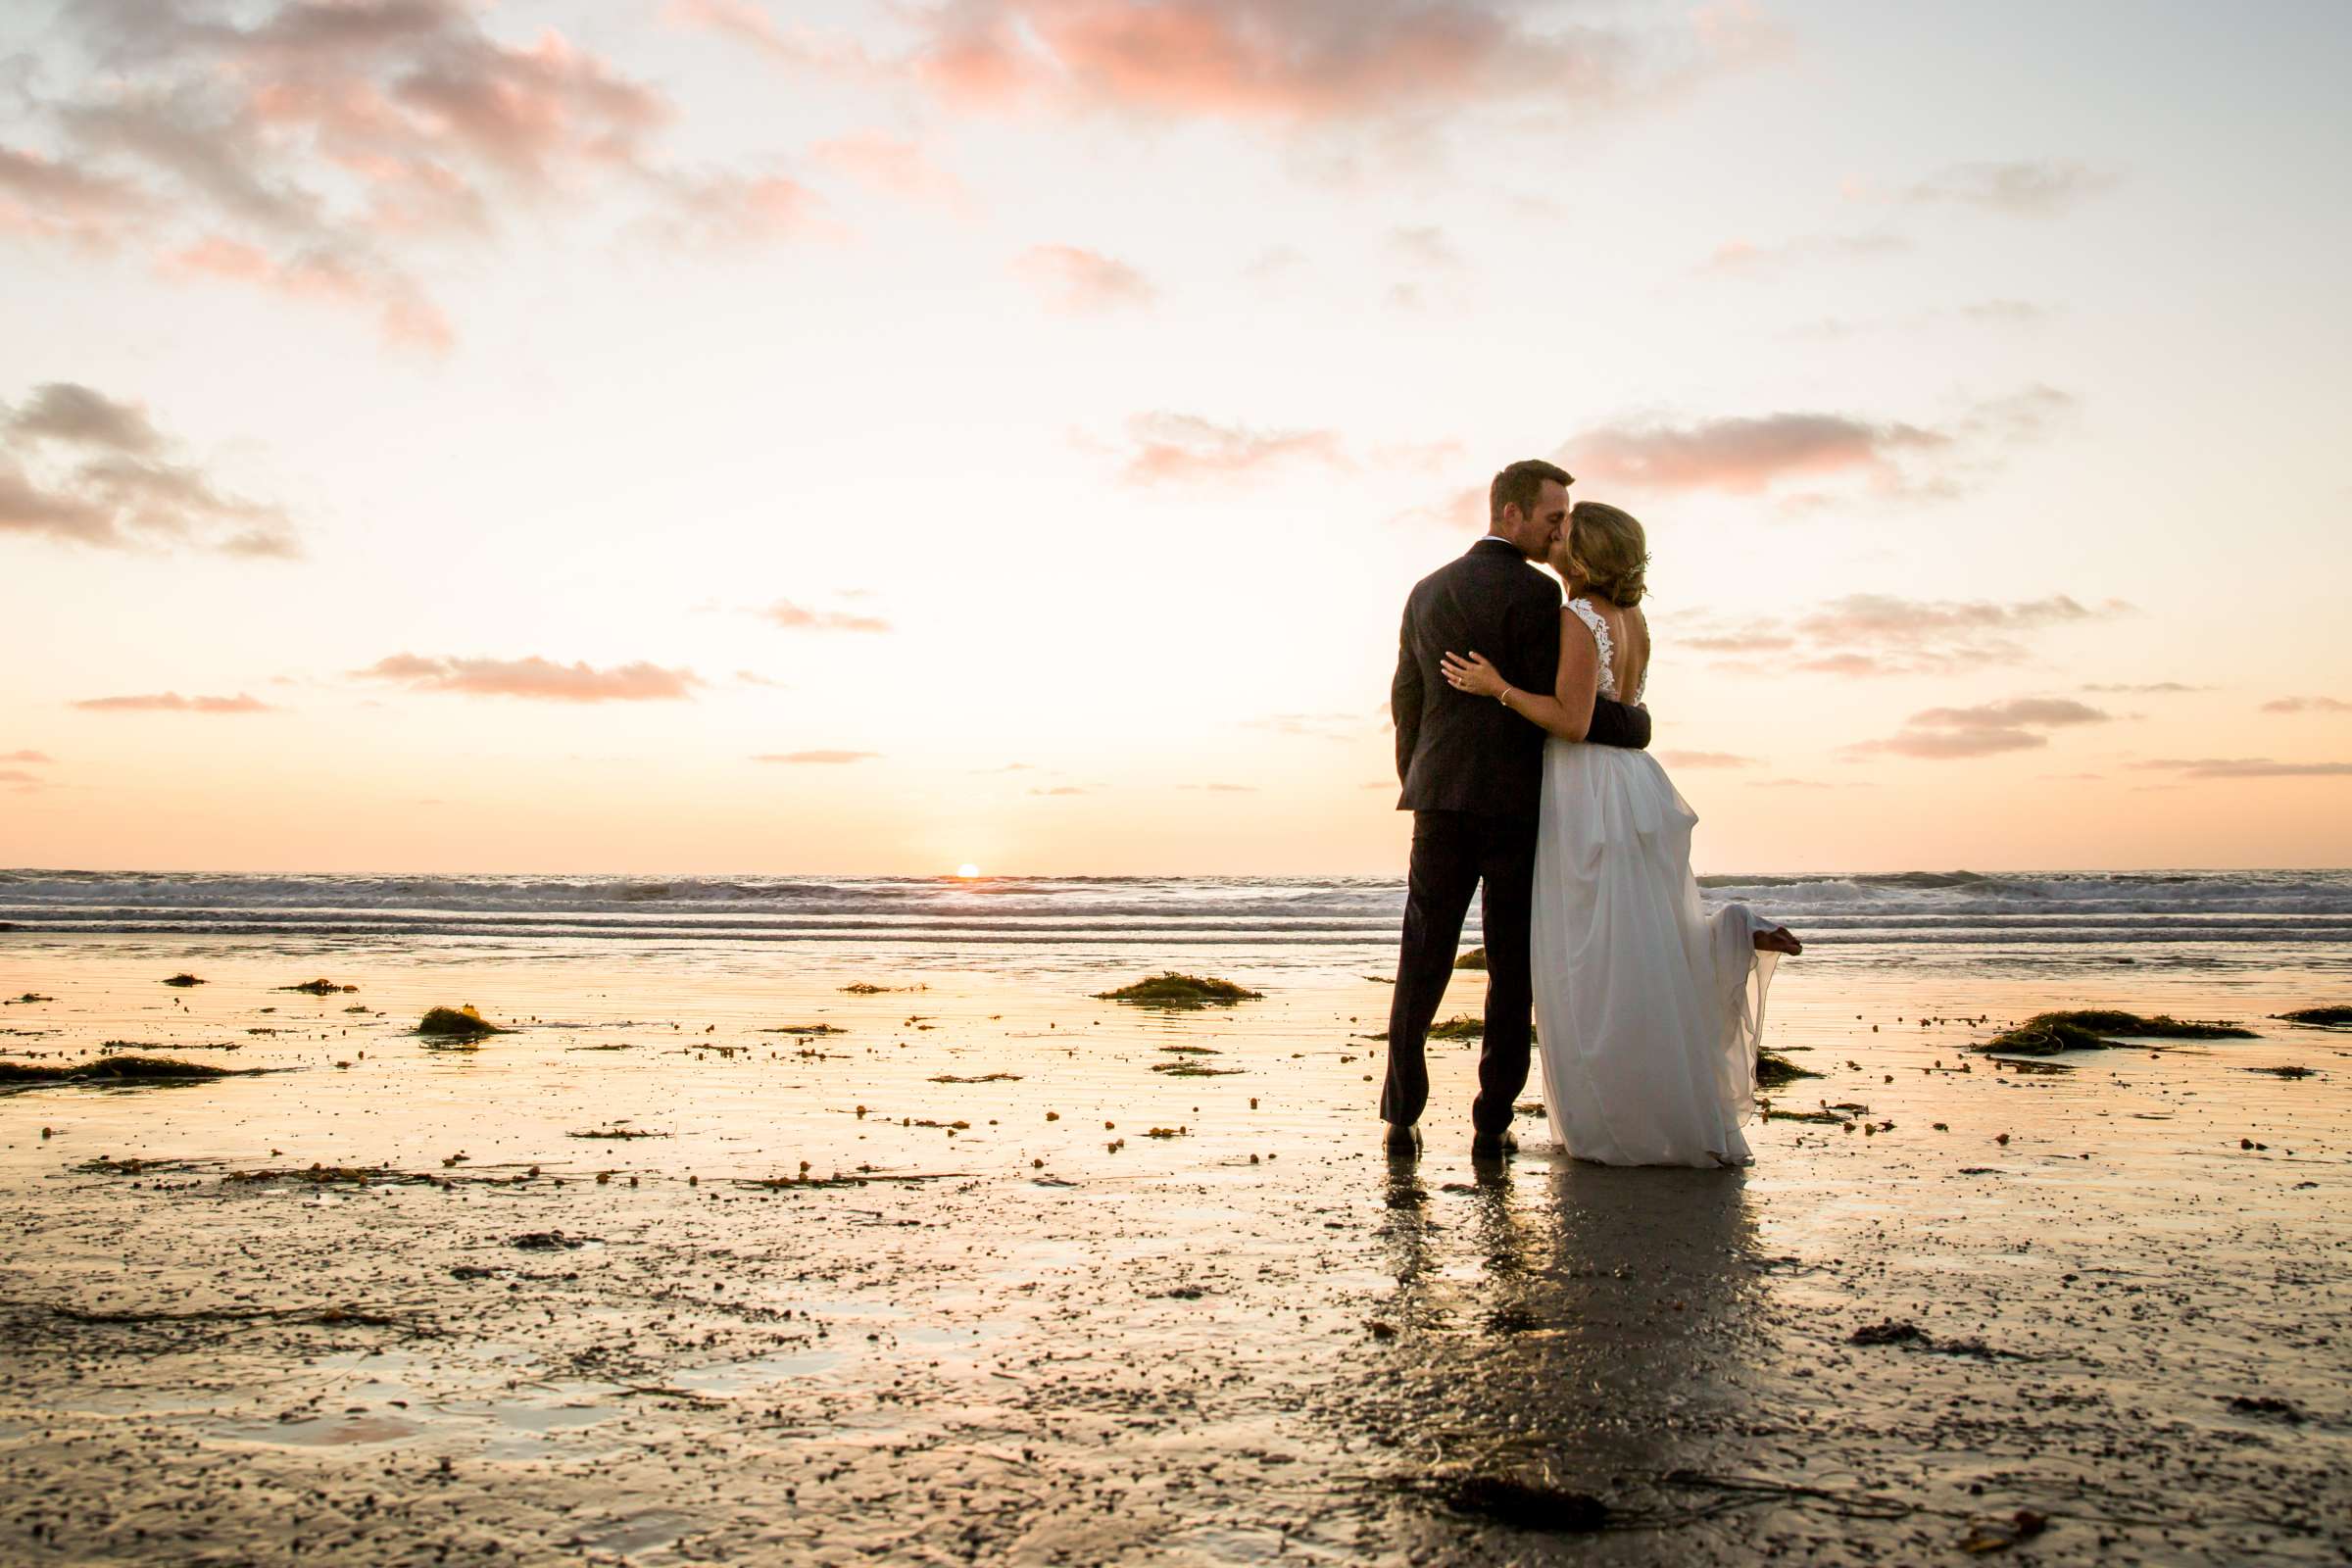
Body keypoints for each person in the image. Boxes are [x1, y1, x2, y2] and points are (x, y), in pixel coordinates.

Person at [1441, 499, 1800, 1167]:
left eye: (1566, 532)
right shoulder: (1633, 618)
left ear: (1584, 554)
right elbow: (1623, 710)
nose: (1555, 536)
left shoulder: (1579, 618)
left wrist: (1496, 687)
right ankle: (1735, 932)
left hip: (1588, 787)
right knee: (1641, 932)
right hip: (1633, 780)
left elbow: (1573, 721)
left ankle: (1611, 1115)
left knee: (1591, 950)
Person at [1382, 460, 1655, 1161]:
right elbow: (1573, 712)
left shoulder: (1427, 589)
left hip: (1440, 801)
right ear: (1511, 515)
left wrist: (1418, 775)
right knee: (1512, 966)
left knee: (1423, 953)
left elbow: (1406, 697)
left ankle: (1400, 1114)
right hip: (1518, 805)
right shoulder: (1543, 599)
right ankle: (1492, 1117)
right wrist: (1638, 725)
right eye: (1552, 518)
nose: (1561, 530)